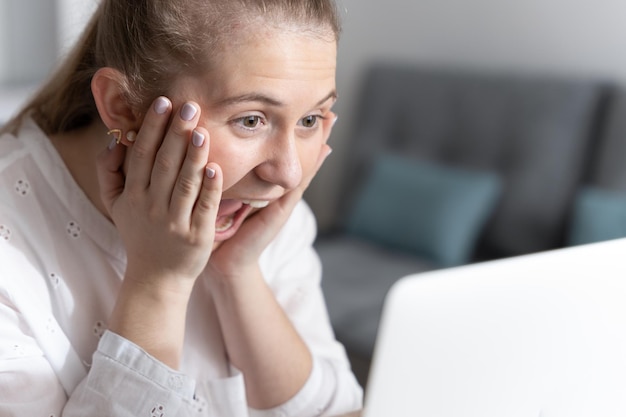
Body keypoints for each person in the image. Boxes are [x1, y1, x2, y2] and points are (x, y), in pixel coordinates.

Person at [0, 0, 363, 415]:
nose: (289, 174)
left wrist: (239, 273)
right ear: (122, 105)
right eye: (251, 120)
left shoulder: (259, 209)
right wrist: (158, 282)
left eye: (310, 120)